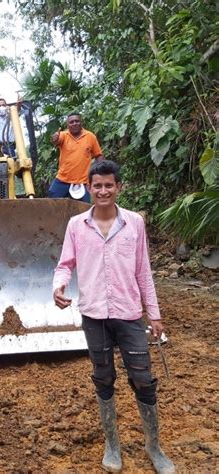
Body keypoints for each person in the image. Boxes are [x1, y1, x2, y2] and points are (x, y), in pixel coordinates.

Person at [53, 160, 175, 474]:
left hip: (129, 314)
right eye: (98, 186)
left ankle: (154, 446)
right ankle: (112, 443)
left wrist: (155, 313)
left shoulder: (134, 223)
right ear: (89, 188)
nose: (103, 190)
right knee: (103, 377)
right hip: (93, 314)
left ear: (118, 187)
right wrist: (59, 286)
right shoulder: (76, 225)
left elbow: (143, 271)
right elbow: (65, 263)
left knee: (143, 379)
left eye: (109, 185)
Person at [49, 112, 104, 203]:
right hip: (63, 179)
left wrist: (100, 173)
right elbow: (57, 141)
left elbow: (99, 155)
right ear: (68, 125)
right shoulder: (63, 135)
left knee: (83, 210)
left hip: (83, 182)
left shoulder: (90, 137)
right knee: (52, 205)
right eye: (71, 122)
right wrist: (55, 139)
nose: (74, 123)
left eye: (77, 121)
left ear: (81, 122)